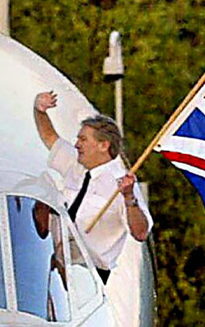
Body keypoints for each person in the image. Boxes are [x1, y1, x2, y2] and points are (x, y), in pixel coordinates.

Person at [33, 91, 152, 281]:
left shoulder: (121, 184)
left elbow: (140, 232)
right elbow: (49, 137)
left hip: (88, 276)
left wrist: (129, 199)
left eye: (83, 139)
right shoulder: (76, 163)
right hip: (56, 265)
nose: (77, 144)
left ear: (103, 145)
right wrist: (40, 111)